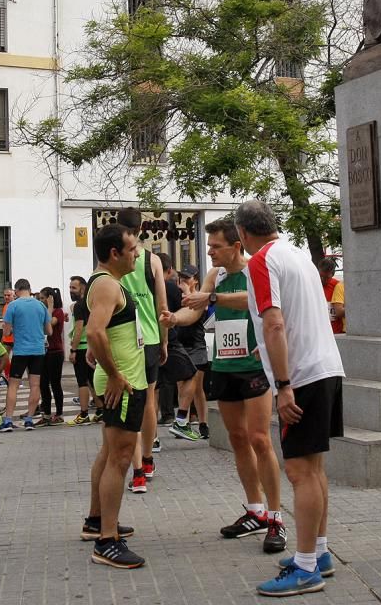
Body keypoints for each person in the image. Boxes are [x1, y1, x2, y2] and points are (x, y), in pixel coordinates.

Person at [234, 200, 345, 597]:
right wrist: (262, 354)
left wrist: (282, 384)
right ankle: (319, 553)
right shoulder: (299, 256)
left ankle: (305, 567)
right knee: (313, 470)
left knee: (299, 472)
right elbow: (296, 319)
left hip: (300, 378)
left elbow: (275, 321)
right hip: (326, 367)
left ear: (243, 234)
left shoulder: (261, 262)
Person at [175, 218, 287, 554]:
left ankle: (276, 518)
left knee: (259, 439)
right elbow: (195, 312)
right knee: (238, 439)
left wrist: (211, 298)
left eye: (215, 246)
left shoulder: (256, 268)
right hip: (224, 365)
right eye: (209, 247)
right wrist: (173, 318)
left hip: (253, 365)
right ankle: (254, 511)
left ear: (236, 245)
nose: (209, 252)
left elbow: (249, 299)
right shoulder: (216, 276)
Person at [82, 223, 145, 569]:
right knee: (120, 459)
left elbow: (100, 333)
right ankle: (107, 541)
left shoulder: (107, 282)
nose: (136, 253)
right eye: (132, 248)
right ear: (114, 254)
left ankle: (96, 522)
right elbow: (94, 330)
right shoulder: (107, 283)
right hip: (124, 384)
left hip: (120, 379)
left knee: (109, 454)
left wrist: (102, 358)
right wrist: (117, 374)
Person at [114, 207, 168, 491]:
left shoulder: (113, 258)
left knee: (130, 402)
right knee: (148, 401)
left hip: (124, 340)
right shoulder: (153, 260)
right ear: (141, 228)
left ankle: (136, 471)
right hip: (150, 338)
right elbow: (162, 305)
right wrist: (165, 339)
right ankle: (147, 458)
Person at [162, 264, 210, 441]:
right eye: (181, 278)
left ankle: (203, 423)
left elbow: (200, 311)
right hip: (180, 343)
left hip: (196, 344)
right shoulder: (176, 294)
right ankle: (183, 422)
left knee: (197, 386)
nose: (183, 281)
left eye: (187, 278)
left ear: (195, 280)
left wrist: (188, 294)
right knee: (182, 385)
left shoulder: (199, 297)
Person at [2, 279, 50, 431]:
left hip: (21, 350)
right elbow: (49, 331)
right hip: (38, 350)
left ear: (16, 291)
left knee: (13, 385)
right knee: (35, 385)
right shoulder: (41, 305)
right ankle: (29, 419)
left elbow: (7, 332)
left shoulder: (13, 306)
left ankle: (8, 420)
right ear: (30, 289)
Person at [68, 275, 98, 425]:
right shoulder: (91, 303)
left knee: (82, 382)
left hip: (81, 348)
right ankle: (100, 411)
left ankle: (84, 413)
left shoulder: (80, 305)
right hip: (92, 346)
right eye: (70, 287)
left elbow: (79, 329)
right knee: (93, 381)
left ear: (83, 288)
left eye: (74, 287)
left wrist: (73, 350)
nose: (71, 290)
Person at [38, 286, 67, 424]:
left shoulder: (57, 312)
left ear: (50, 299)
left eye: (43, 298)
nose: (40, 301)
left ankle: (59, 414)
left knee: (55, 383)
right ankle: (47, 414)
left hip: (55, 352)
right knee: (43, 384)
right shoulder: (43, 312)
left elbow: (48, 324)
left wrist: (49, 307)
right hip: (43, 352)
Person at [317, 258, 345, 335]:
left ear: (332, 274)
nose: (322, 280)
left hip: (336, 332)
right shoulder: (312, 285)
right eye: (320, 276)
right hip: (319, 331)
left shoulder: (337, 286)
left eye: (326, 278)